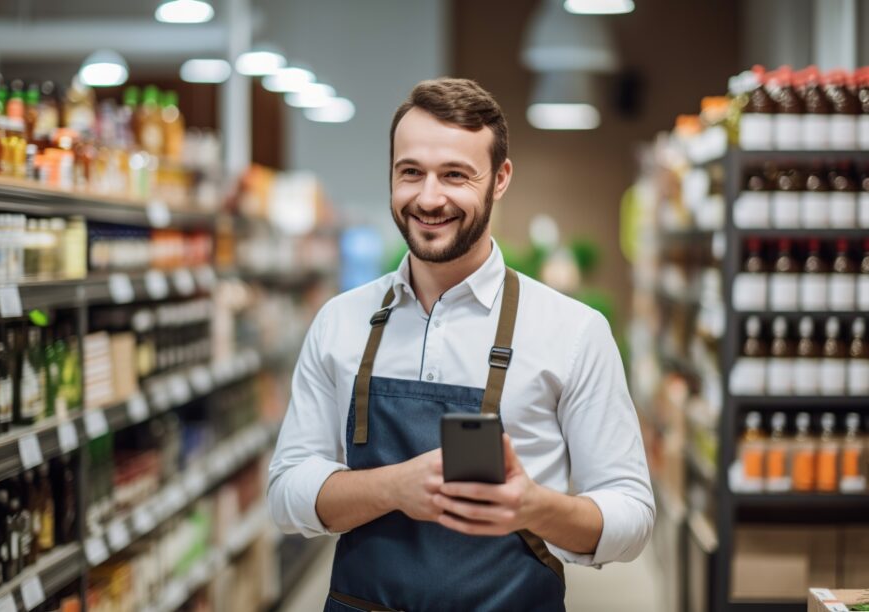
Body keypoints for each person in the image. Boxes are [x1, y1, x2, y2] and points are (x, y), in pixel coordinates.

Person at [268, 77, 655, 612]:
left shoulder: (573, 331)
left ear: (500, 179)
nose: (429, 198)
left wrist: (533, 506)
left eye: (455, 175)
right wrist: (394, 487)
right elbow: (287, 492)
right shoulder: (340, 322)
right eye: (411, 173)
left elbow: (631, 514)